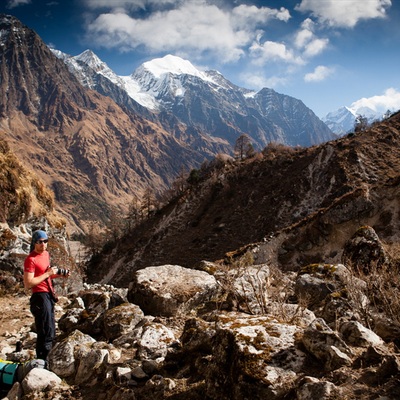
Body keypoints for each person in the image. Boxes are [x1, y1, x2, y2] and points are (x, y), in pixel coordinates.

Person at [23, 230, 70, 361]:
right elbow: (28, 283)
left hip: (48, 294)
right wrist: (48, 274)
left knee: (51, 329)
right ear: (34, 243)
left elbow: (46, 274)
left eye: (45, 241)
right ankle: (42, 360)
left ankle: (45, 359)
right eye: (40, 242)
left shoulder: (46, 254)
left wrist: (59, 274)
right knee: (45, 331)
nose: (43, 244)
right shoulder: (30, 260)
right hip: (39, 296)